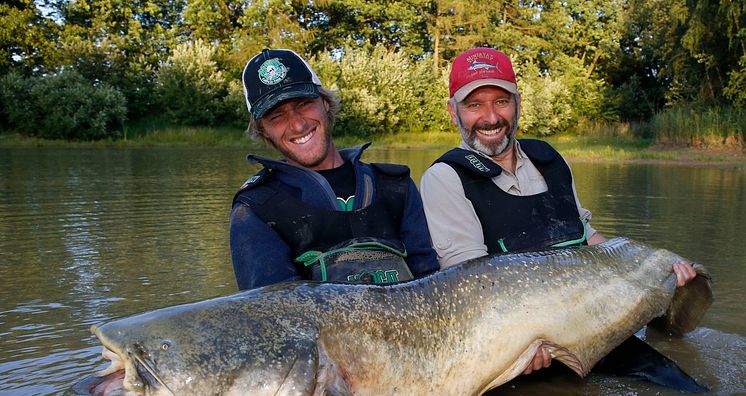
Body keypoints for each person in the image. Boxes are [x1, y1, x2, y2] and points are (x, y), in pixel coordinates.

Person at [420, 47, 697, 375]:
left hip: (588, 324)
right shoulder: (445, 178)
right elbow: (470, 290)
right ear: (454, 112)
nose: (491, 118)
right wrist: (521, 342)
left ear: (518, 103)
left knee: (687, 391)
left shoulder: (551, 161)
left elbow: (589, 239)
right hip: (518, 349)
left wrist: (652, 268)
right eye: (474, 105)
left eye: (502, 102)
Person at [230, 49, 438, 290]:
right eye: (276, 116)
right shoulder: (255, 208)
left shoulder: (395, 185)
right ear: (263, 130)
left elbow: (431, 283)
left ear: (326, 104)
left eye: (304, 104)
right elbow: (273, 313)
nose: (297, 124)